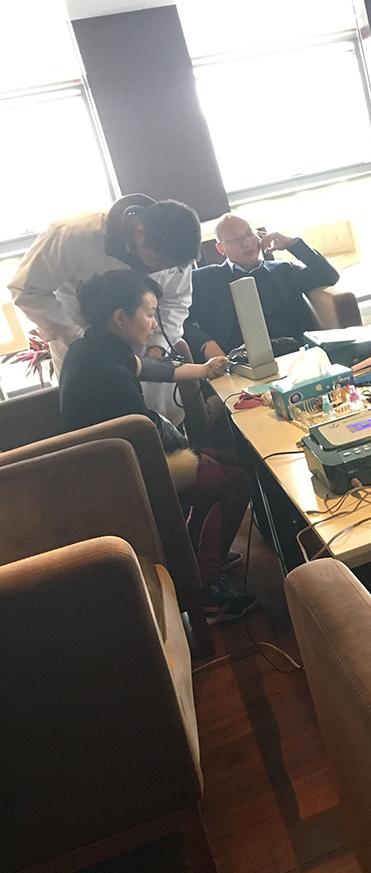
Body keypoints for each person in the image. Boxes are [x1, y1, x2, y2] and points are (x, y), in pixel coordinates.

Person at [59, 268, 258, 626]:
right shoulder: (108, 374)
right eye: (150, 314)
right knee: (235, 481)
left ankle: (199, 555)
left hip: (110, 461)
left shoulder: (92, 348)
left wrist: (204, 369)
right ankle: (208, 589)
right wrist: (193, 453)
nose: (154, 324)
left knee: (226, 461)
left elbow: (151, 368)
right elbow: (147, 432)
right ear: (120, 317)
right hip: (122, 475)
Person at [8, 194, 202, 422]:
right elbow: (26, 290)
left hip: (145, 350)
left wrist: (157, 346)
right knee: (108, 429)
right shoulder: (73, 234)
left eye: (168, 267)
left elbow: (176, 301)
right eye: (156, 261)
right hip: (84, 356)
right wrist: (83, 340)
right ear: (139, 231)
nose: (160, 269)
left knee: (160, 424)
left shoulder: (174, 248)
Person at [183, 214, 340, 363]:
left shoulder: (283, 270)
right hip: (236, 362)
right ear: (221, 249)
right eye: (236, 239)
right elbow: (180, 320)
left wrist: (292, 244)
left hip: (293, 355)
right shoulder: (202, 280)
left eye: (249, 234)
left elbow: (328, 276)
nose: (247, 243)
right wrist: (206, 344)